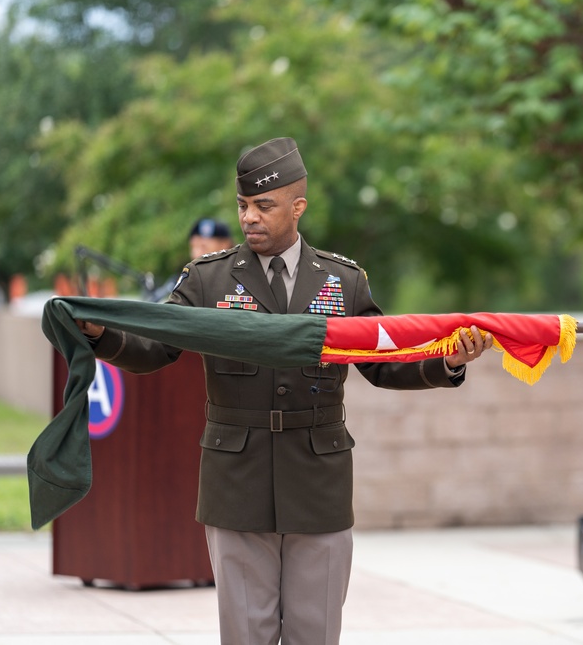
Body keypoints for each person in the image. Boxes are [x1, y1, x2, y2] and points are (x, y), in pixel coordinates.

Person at [76, 136, 493, 644]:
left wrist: (446, 361)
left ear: (298, 207)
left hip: (317, 482)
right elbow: (153, 346)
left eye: (263, 206)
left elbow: (383, 362)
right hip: (238, 482)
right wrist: (101, 334)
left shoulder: (342, 281)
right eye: (243, 205)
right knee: (245, 635)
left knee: (314, 634)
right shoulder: (208, 280)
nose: (249, 217)